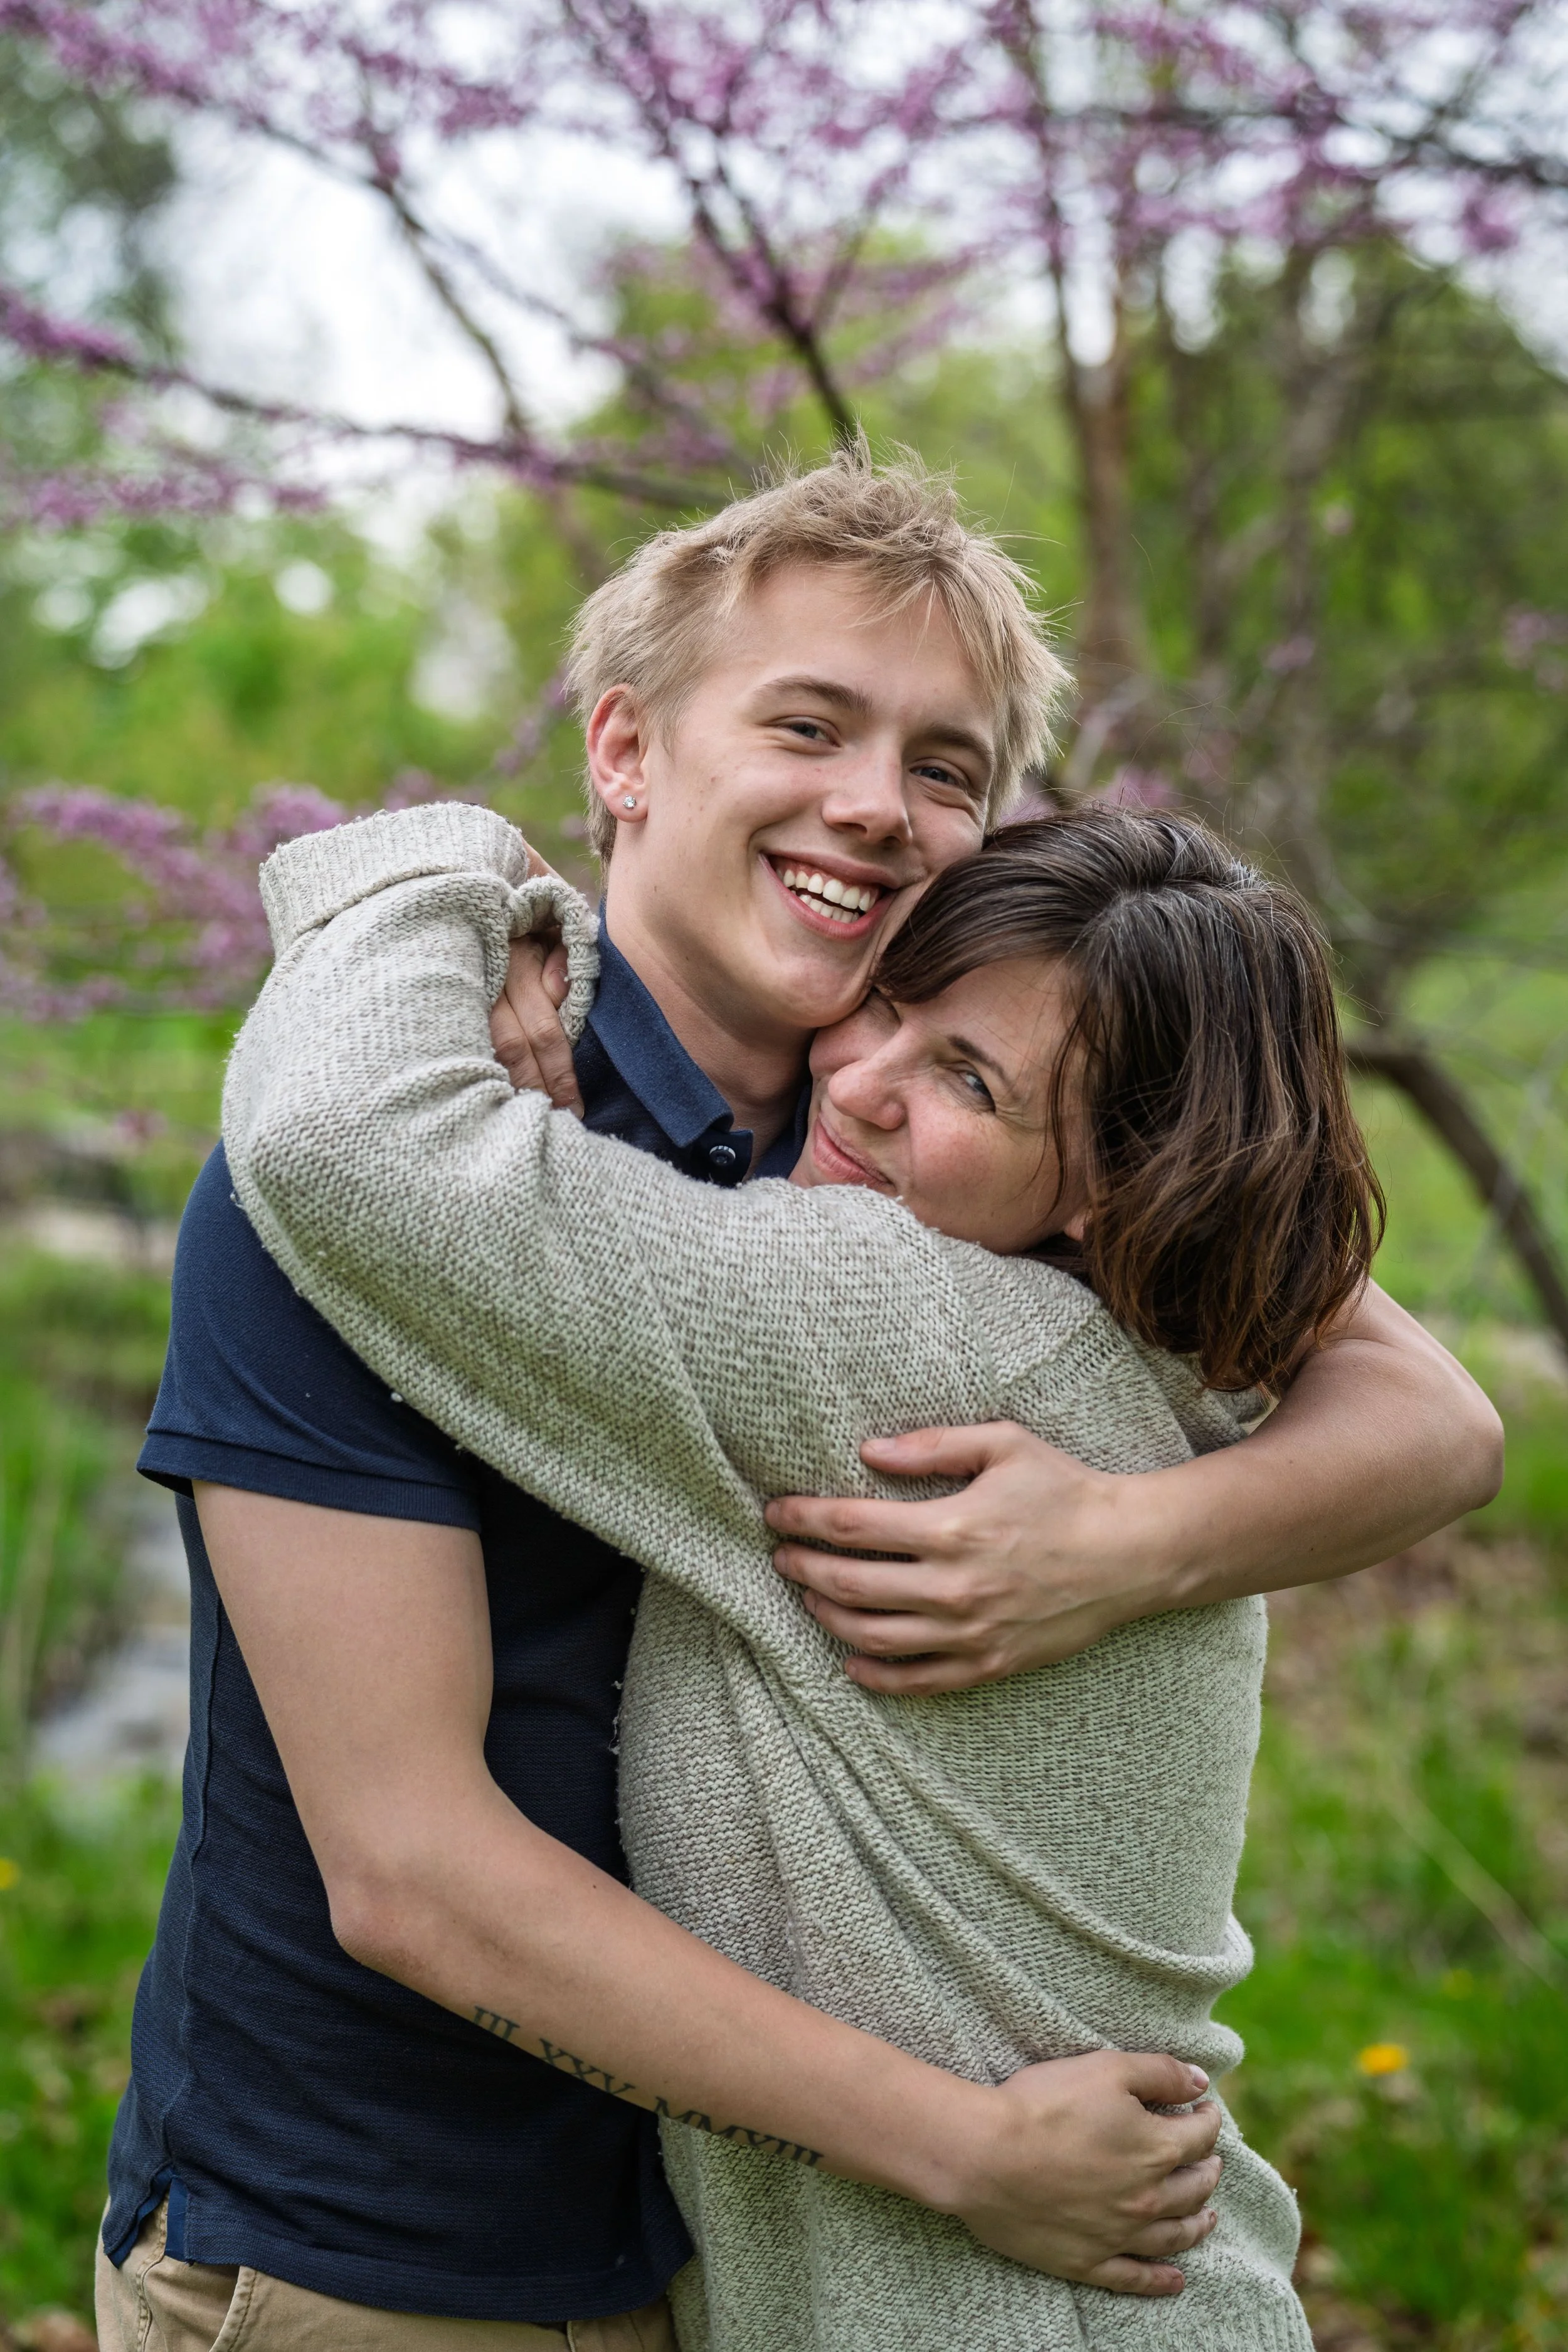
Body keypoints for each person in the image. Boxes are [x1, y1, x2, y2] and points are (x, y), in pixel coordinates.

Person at [98, 451, 1499, 2351]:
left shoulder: (947, 1183)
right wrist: (422, 861)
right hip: (383, 2248)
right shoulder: (403, 1152)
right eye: (809, 723)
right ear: (621, 751)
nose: (876, 802)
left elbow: (1431, 1413)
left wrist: (1118, 1536)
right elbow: (413, 1870)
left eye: (946, 764)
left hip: (742, 2255)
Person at [220, 792, 1387, 2349]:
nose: (861, 1081)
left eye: (968, 1077)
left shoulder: (905, 1327)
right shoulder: (1187, 1347)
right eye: (891, 1004)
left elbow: (339, 1140)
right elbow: (1423, 1396)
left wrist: (441, 853)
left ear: (1113, 1181)